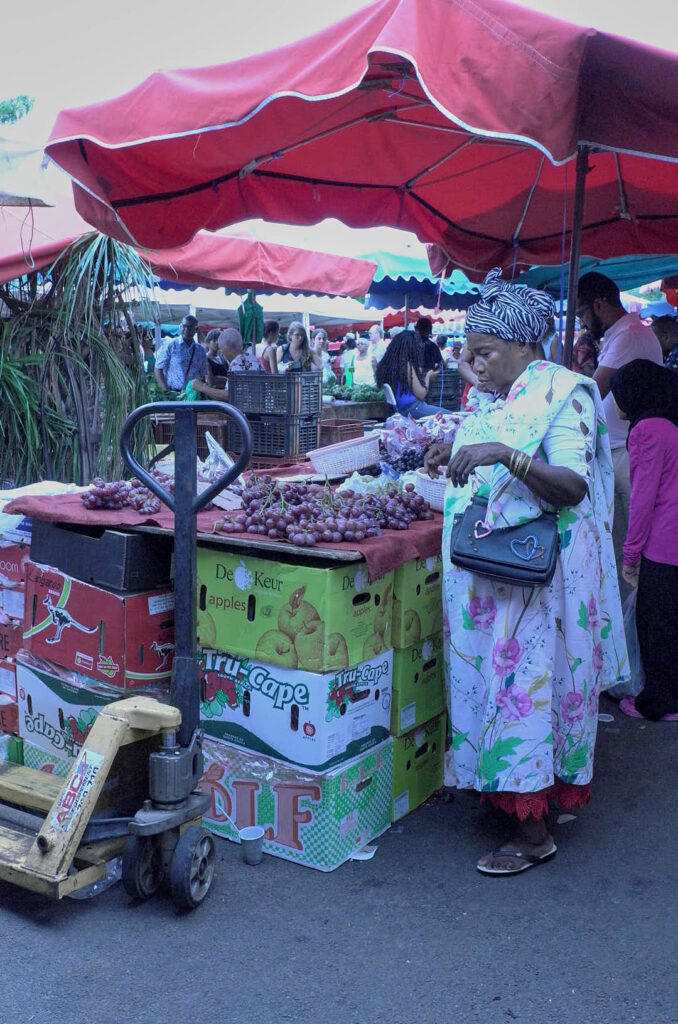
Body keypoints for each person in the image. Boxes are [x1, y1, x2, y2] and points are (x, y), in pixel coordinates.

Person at [424, 268, 627, 875]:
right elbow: (491, 460)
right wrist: (456, 457)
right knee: (495, 689)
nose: (473, 365)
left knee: (524, 696)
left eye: (483, 353)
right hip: (498, 580)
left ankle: (534, 832)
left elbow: (570, 484)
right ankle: (510, 800)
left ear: (524, 347)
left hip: (541, 586)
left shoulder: (564, 393)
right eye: (467, 354)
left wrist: (501, 455)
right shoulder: (507, 397)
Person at [576, 272, 663, 600]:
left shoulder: (629, 334)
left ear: (599, 305)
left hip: (627, 456)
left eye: (583, 313)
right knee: (617, 547)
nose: (583, 323)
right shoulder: (621, 334)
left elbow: (593, 390)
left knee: (625, 554)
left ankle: (625, 635)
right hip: (620, 452)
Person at [609, 360, 678, 721]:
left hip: (664, 546)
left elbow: (643, 499)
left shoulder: (647, 430)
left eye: (619, 394)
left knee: (657, 626)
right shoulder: (670, 423)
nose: (616, 403)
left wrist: (630, 553)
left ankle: (659, 703)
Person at [375, 329, 451, 417]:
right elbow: (421, 394)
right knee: (452, 416)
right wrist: (428, 375)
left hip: (400, 409)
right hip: (411, 408)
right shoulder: (406, 365)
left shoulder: (388, 364)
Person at [192, 328, 262, 399]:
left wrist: (202, 388)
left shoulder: (237, 363)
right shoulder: (253, 358)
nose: (221, 352)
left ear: (227, 347)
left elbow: (229, 395)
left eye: (221, 348)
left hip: (245, 408)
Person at [154, 315, 211, 392]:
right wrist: (166, 392)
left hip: (193, 396)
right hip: (173, 394)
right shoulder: (170, 345)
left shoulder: (200, 350)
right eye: (184, 326)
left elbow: (203, 374)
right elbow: (158, 369)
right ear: (180, 327)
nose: (186, 329)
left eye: (190, 327)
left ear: (196, 330)